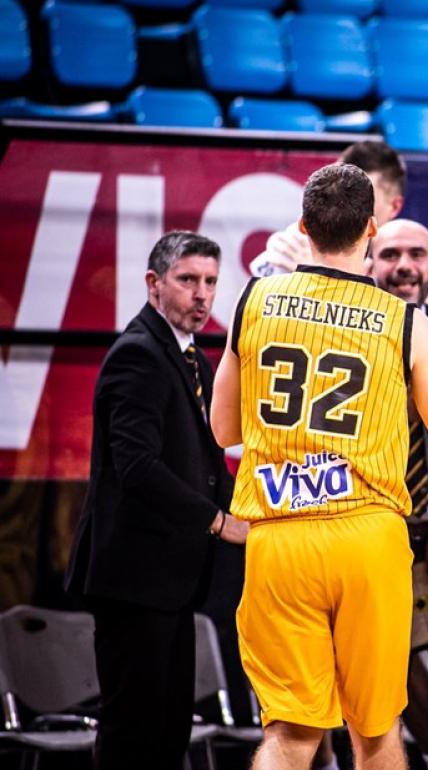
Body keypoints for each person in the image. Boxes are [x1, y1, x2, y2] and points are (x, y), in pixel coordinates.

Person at [211, 163, 428, 770]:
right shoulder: (405, 321)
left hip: (279, 534)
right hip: (366, 536)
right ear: (372, 227)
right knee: (374, 732)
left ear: (303, 226)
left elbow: (225, 429)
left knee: (289, 734)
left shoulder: (256, 298)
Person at [65, 231, 248, 770]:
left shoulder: (190, 356)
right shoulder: (139, 355)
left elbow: (211, 464)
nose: (202, 295)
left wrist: (254, 513)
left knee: (168, 730)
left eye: (211, 282)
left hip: (170, 582)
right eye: (188, 280)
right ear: (153, 284)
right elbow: (137, 466)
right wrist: (217, 522)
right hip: (133, 581)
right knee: (135, 733)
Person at [368, 218, 428, 770]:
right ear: (369, 262)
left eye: (417, 254)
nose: (405, 266)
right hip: (376, 530)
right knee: (387, 669)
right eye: (391, 254)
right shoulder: (347, 336)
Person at [252, 140, 428, 307]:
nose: (347, 204)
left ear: (395, 206)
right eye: (340, 192)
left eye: (363, 196)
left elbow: (415, 334)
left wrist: (319, 274)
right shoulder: (292, 244)